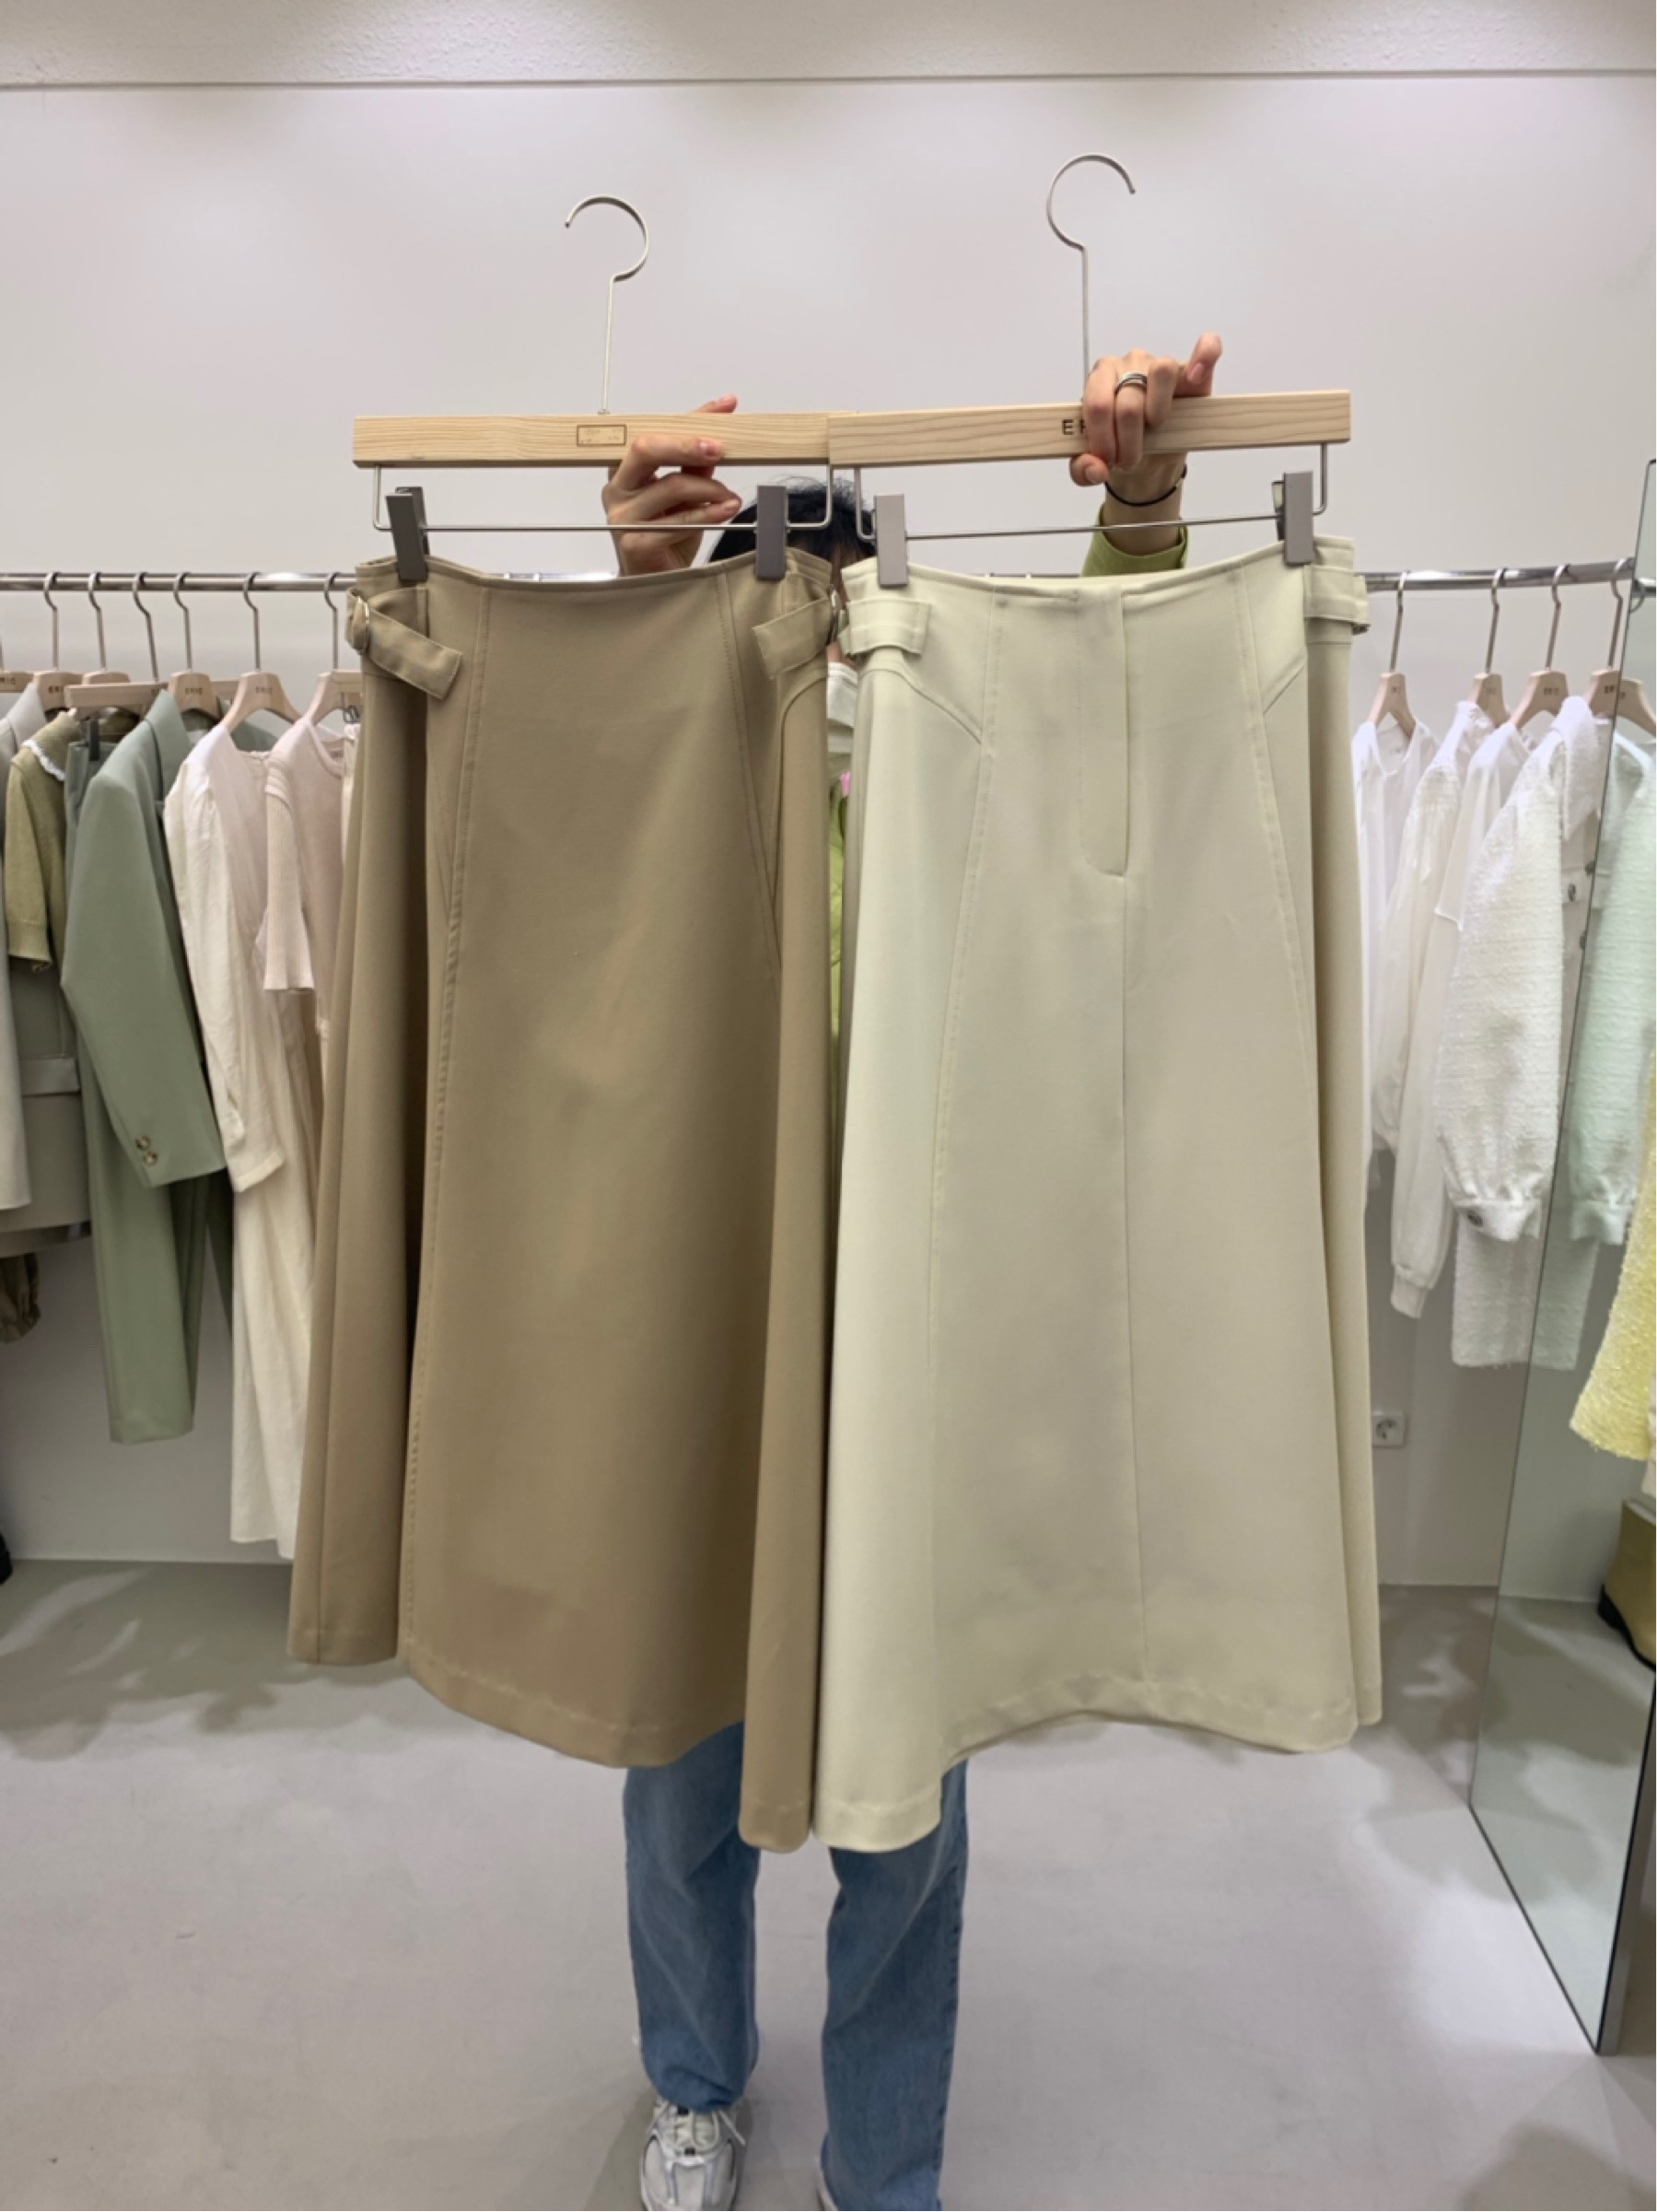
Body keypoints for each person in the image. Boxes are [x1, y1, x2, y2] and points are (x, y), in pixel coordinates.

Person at [600, 334, 1223, 2212]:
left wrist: (1141, 511)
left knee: (909, 1778)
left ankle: (882, 2162)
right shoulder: (693, 762)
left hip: (918, 1322)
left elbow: (1114, 715)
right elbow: (569, 817)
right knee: (680, 1749)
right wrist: (639, 587)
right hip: (714, 1317)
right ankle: (694, 2081)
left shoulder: (966, 747)